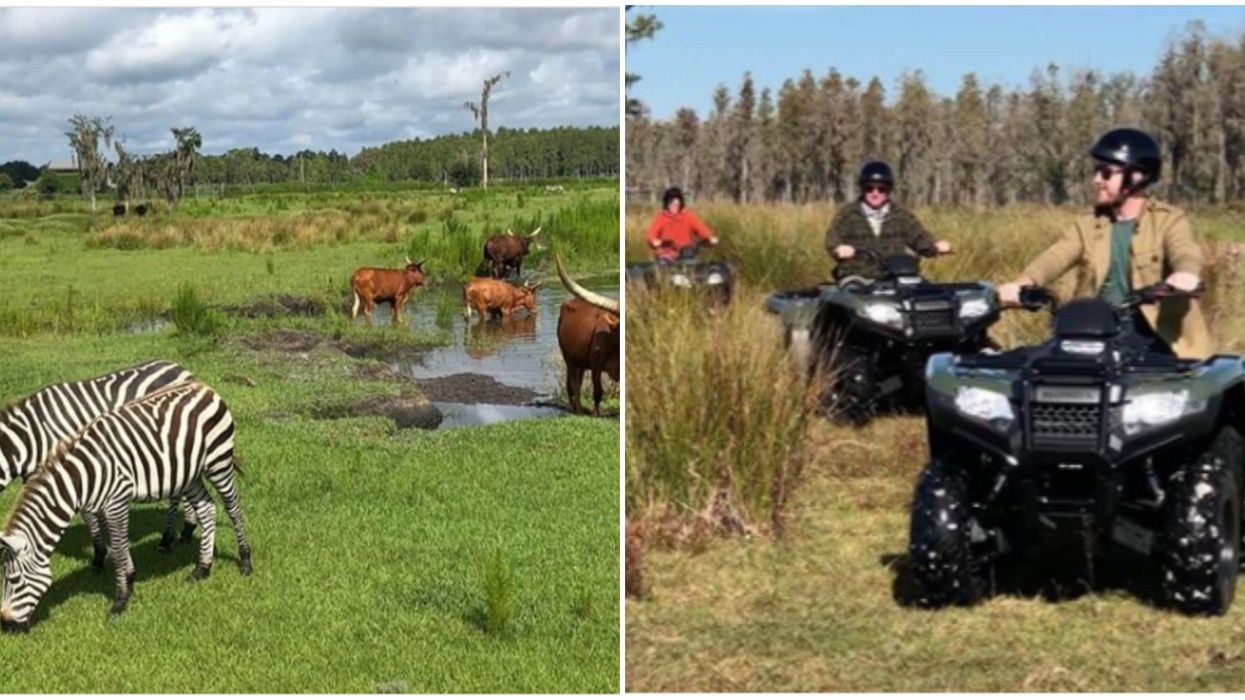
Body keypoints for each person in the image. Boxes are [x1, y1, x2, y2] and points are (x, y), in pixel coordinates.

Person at [997, 128, 1211, 359]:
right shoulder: (1090, 223)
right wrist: (1023, 284)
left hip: (1154, 332)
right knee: (1027, 361)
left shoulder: (1168, 220)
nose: (1097, 180)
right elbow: (1056, 256)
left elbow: (1184, 250)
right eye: (1097, 171)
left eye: (1106, 173)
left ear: (1136, 177)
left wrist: (1185, 274)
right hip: (1094, 326)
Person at [825, 161, 952, 280]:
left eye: (881, 189)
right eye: (869, 188)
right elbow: (833, 238)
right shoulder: (848, 214)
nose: (875, 193)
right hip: (857, 277)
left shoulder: (901, 215)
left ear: (888, 190)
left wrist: (934, 246)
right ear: (863, 189)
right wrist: (839, 249)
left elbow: (918, 236)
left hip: (893, 277)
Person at [645, 187, 718, 263]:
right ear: (666, 204)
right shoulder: (661, 218)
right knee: (663, 263)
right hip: (666, 254)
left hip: (686, 254)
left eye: (676, 205)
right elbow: (651, 234)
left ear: (680, 204)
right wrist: (654, 241)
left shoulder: (688, 216)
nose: (674, 207)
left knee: (693, 263)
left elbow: (701, 229)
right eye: (671, 204)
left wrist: (709, 237)